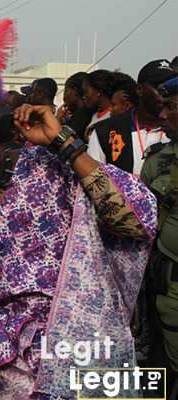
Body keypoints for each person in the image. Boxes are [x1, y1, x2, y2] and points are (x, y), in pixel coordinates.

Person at [0, 19, 157, 399]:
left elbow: (136, 221)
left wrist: (62, 141)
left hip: (85, 360)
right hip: (4, 380)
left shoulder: (48, 169)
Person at [140, 75, 178, 391]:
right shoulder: (158, 161)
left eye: (171, 107)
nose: (163, 115)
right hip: (167, 288)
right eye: (163, 107)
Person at [87, 60, 175, 175]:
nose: (166, 93)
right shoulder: (105, 131)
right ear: (139, 90)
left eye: (172, 87)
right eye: (159, 87)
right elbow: (92, 178)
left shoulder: (175, 130)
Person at [57, 72, 93, 139]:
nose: (64, 97)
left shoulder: (81, 115)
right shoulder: (91, 112)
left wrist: (57, 120)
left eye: (65, 91)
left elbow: (61, 139)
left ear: (74, 90)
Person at [82, 69, 115, 137]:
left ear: (98, 91)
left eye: (86, 92)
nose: (83, 97)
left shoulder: (113, 115)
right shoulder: (95, 115)